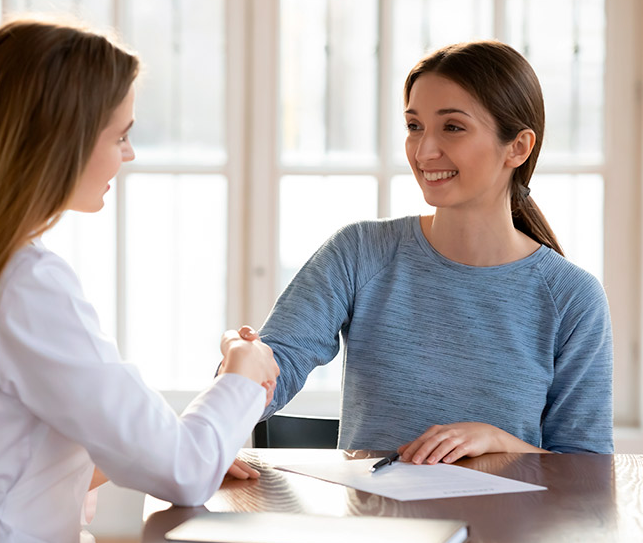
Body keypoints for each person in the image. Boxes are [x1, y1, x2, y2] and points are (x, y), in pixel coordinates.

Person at [0, 17, 278, 543]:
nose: (128, 155)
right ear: (62, 141)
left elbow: (0, 455)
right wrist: (241, 374)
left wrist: (197, 440)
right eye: (121, 135)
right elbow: (184, 473)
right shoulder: (26, 282)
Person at [252, 40, 613, 465]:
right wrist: (235, 385)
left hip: (508, 529)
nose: (423, 152)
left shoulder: (572, 298)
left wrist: (500, 441)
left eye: (452, 128)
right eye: (414, 126)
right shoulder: (359, 253)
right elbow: (278, 365)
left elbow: (588, 470)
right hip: (377, 527)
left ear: (517, 147)